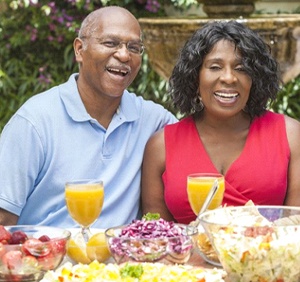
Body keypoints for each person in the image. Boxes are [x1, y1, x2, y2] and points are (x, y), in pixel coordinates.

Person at [0, 6, 177, 228]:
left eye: (134, 47)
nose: (124, 55)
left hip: (121, 259)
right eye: (110, 43)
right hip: (48, 257)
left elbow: (202, 140)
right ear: (79, 50)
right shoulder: (34, 122)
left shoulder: (152, 120)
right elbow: (3, 220)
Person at [141, 20, 300, 224]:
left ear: (255, 78)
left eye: (241, 68)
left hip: (268, 254)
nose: (229, 78)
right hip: (187, 256)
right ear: (194, 77)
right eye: (215, 67)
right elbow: (156, 233)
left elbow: (296, 227)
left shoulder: (291, 135)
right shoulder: (160, 146)